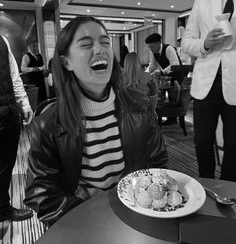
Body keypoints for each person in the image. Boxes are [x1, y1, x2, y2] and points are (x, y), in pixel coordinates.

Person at [24, 15, 168, 227]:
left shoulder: (140, 107)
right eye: (86, 44)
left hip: (136, 214)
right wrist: (87, 218)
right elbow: (43, 194)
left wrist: (144, 202)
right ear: (67, 62)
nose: (100, 50)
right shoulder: (47, 124)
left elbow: (158, 162)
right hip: (83, 221)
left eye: (105, 42)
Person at [181, 0, 236, 181]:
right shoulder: (202, 2)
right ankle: (205, 185)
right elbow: (186, 42)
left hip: (235, 86)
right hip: (206, 84)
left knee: (234, 145)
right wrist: (205, 43)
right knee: (202, 140)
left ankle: (228, 192)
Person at [0, 34, 33, 222]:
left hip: (9, 114)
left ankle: (3, 208)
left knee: (6, 166)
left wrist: (25, 104)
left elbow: (13, 76)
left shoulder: (2, 40)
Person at [145, 33, 182, 125]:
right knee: (167, 95)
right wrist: (145, 74)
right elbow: (152, 66)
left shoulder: (168, 49)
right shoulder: (153, 52)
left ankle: (174, 118)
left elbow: (175, 64)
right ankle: (168, 116)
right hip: (167, 76)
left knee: (174, 97)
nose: (151, 49)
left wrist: (162, 72)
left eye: (152, 46)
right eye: (149, 47)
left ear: (158, 43)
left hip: (178, 74)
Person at [21, 39, 47, 104]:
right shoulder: (26, 56)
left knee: (43, 97)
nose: (35, 48)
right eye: (33, 46)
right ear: (29, 47)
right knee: (36, 99)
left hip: (41, 80)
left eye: (36, 46)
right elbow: (23, 68)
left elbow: (43, 66)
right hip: (32, 82)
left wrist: (45, 70)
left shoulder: (40, 55)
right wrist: (32, 69)